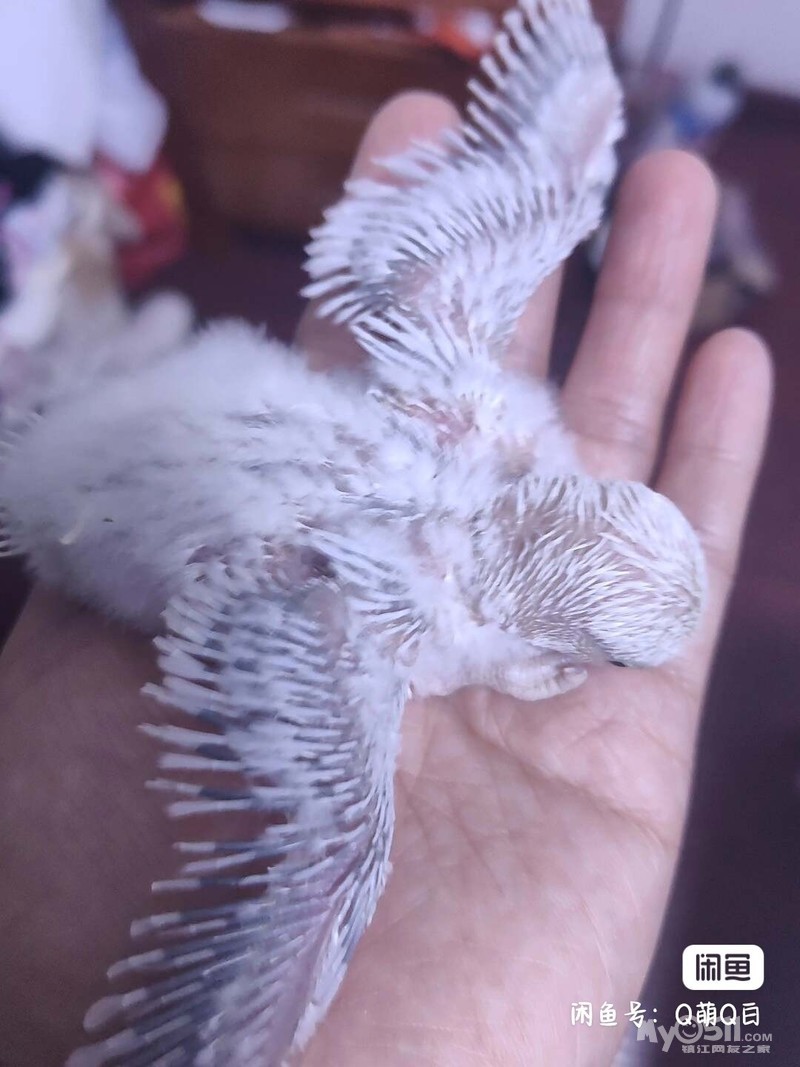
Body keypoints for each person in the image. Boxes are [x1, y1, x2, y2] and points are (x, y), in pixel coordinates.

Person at [0, 92, 773, 1066]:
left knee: (554, 198)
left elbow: (552, 176)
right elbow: (318, 874)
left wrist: (576, 112)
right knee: (336, 862)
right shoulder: (387, 624)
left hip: (123, 444)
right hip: (87, 520)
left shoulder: (464, 398)